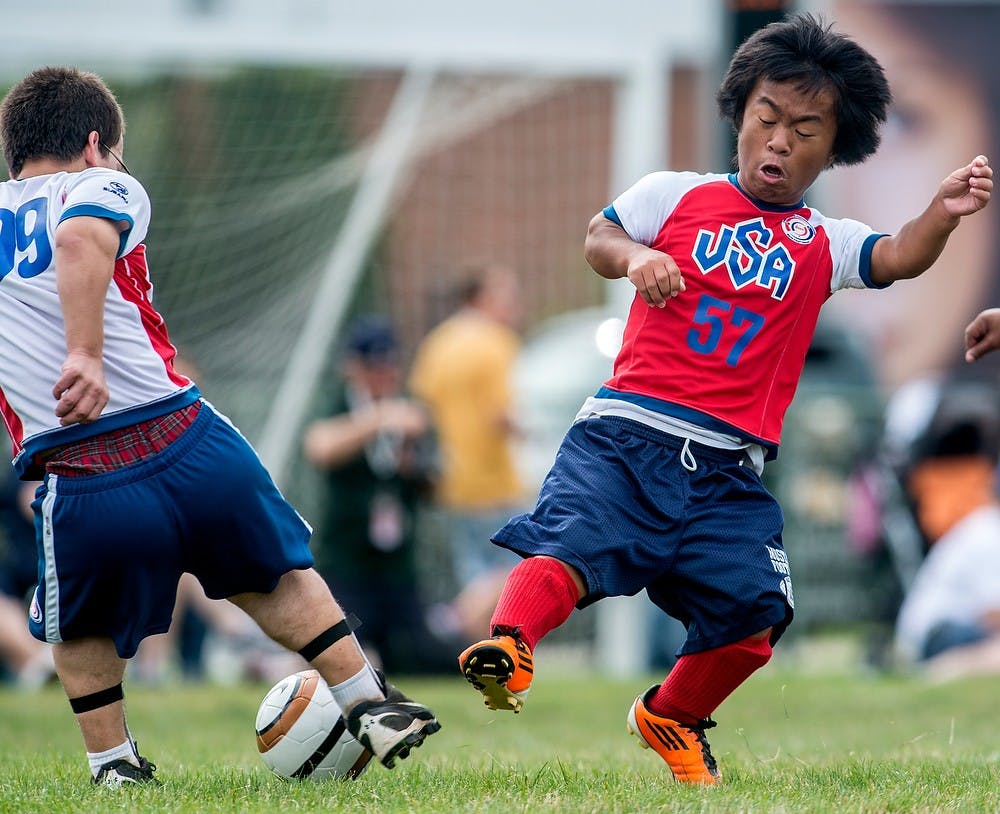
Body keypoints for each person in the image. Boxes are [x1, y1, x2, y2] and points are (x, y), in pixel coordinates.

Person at [456, 12, 992, 785]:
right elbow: (598, 239)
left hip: (727, 471)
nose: (780, 140)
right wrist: (637, 256)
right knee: (571, 546)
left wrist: (942, 210)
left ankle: (671, 715)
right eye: (767, 118)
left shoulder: (826, 241)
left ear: (834, 147)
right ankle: (508, 648)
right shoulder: (673, 195)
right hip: (626, 436)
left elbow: (901, 256)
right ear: (739, 112)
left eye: (806, 129)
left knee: (754, 616)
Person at [0, 66, 439, 787]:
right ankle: (365, 697)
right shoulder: (102, 184)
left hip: (77, 467)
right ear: (92, 144)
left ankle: (113, 765)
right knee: (275, 572)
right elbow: (80, 239)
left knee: (80, 625)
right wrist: (85, 351)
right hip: (181, 438)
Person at [303, 315, 460, 675]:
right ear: (353, 367)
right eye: (374, 366)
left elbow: (438, 484)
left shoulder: (412, 411)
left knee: (421, 655)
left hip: (397, 567)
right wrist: (379, 418)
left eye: (389, 365)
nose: (384, 375)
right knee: (343, 653)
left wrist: (414, 465)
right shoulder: (342, 406)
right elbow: (320, 447)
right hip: (347, 564)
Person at [408, 263, 527, 638]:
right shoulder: (495, 342)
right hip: (494, 480)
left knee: (476, 574)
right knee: (520, 565)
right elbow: (501, 415)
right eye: (507, 295)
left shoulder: (438, 342)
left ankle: (473, 654)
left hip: (451, 480)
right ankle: (450, 622)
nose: (514, 303)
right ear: (483, 297)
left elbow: (421, 406)